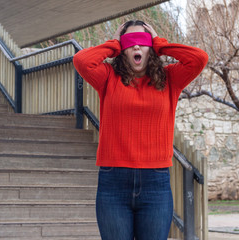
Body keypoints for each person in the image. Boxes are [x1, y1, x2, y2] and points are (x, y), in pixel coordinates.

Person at [73, 20, 208, 240]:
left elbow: (199, 58)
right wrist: (113, 43)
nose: (136, 46)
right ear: (123, 50)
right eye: (130, 42)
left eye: (142, 41)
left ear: (151, 47)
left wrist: (161, 44)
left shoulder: (170, 79)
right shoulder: (108, 78)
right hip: (113, 182)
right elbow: (81, 60)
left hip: (156, 183)